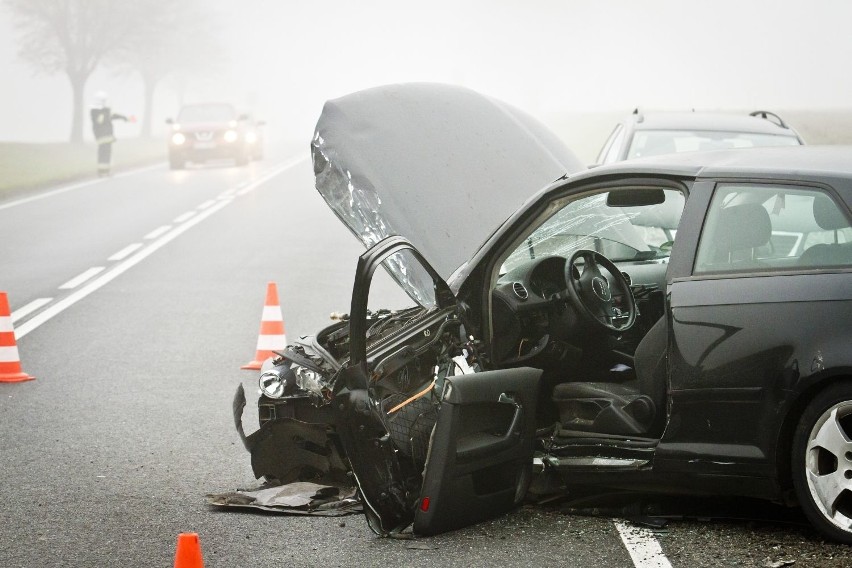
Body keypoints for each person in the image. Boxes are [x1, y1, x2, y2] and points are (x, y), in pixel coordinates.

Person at [90, 91, 132, 177]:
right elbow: (100, 121)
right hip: (102, 136)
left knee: (106, 154)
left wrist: (123, 118)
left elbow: (113, 116)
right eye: (104, 101)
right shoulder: (96, 111)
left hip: (106, 136)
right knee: (103, 154)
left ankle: (105, 171)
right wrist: (105, 113)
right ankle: (102, 172)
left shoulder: (102, 111)